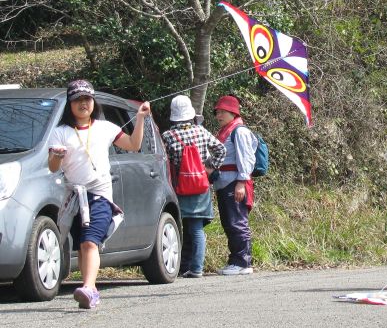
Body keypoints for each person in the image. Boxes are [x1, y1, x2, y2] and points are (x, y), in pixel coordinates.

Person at [48, 79, 151, 310]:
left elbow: (133, 145)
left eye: (87, 99)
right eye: (77, 100)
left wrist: (141, 118)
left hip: (100, 194)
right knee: (81, 246)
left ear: (93, 101)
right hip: (75, 198)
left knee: (89, 242)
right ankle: (89, 289)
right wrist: (56, 155)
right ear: (70, 104)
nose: (83, 104)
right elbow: (53, 167)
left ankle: (89, 288)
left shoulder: (106, 127)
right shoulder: (60, 132)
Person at [161, 95, 226, 278]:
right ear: (190, 115)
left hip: (179, 186)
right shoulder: (201, 131)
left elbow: (165, 161)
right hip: (200, 185)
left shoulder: (168, 136)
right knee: (196, 227)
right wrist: (209, 169)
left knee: (177, 226)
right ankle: (196, 268)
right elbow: (221, 149)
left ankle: (182, 266)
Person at [213, 94, 258, 276]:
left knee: (237, 222)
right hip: (224, 183)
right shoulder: (226, 131)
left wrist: (241, 182)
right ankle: (235, 260)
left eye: (223, 112)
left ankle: (243, 262)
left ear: (233, 112)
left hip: (234, 183)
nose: (219, 115)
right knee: (229, 222)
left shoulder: (239, 131)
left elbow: (245, 158)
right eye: (217, 112)